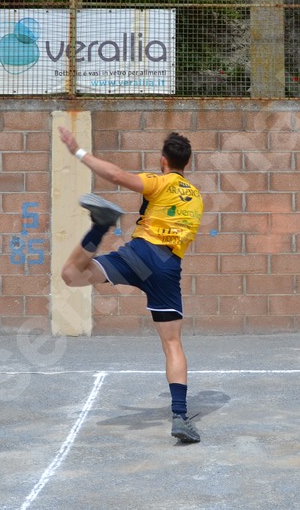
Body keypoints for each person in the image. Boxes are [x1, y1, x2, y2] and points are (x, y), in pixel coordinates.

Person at [57, 125, 205, 444]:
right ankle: (179, 416)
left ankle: (99, 228)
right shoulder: (196, 198)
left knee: (71, 275)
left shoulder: (160, 181)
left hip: (138, 255)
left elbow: (118, 176)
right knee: (172, 344)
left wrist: (78, 151)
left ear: (163, 161)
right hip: (166, 267)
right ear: (187, 164)